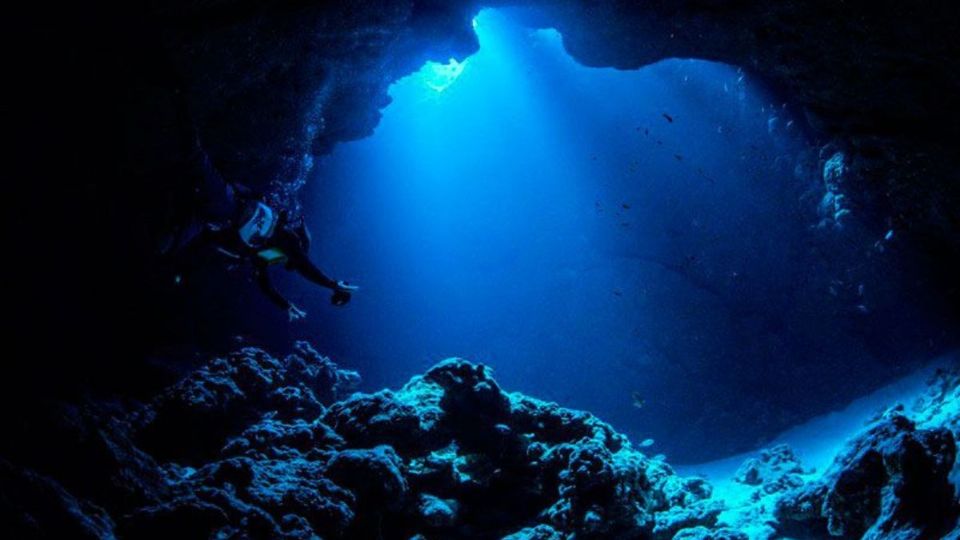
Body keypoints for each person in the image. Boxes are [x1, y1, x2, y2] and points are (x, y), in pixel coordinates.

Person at [197, 194, 358, 321]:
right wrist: (330, 284)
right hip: (228, 211)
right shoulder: (290, 240)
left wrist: (285, 305)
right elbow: (304, 267)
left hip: (222, 217)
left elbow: (264, 280)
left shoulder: (277, 251)